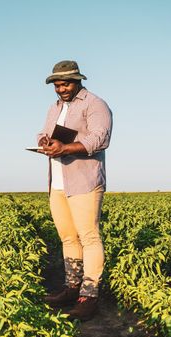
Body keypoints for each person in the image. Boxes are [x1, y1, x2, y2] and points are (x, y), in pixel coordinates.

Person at [37, 60, 112, 321]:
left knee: (89, 238)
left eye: (66, 83)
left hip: (84, 181)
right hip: (57, 182)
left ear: (78, 80)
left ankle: (89, 297)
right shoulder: (54, 107)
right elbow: (43, 133)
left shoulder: (95, 104)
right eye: (57, 85)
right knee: (68, 238)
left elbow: (100, 138)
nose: (61, 89)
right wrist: (44, 141)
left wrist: (65, 148)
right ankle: (71, 288)